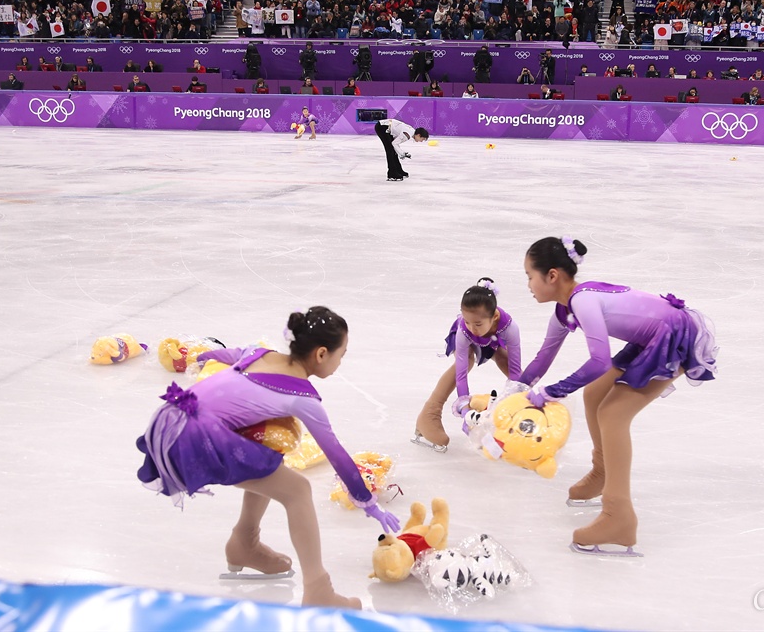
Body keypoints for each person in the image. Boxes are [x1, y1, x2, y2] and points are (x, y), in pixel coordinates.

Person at [135, 307, 399, 608]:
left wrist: (201, 361)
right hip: (193, 439)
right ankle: (318, 589)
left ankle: (244, 542)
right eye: (343, 354)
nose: (341, 362)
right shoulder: (301, 397)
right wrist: (368, 502)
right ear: (322, 354)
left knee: (271, 449)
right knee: (299, 491)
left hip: (171, 418)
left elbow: (221, 356)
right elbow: (335, 453)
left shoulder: (258, 353)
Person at [517, 237, 717, 554]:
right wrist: (516, 391)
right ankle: (603, 472)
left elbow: (599, 361)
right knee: (596, 394)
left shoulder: (582, 301)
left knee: (613, 414)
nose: (528, 284)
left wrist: (553, 392)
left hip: (675, 337)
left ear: (552, 275)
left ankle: (618, 516)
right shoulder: (565, 309)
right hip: (652, 336)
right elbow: (544, 357)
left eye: (530, 275)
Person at [413, 278, 522, 452]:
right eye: (467, 321)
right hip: (468, 344)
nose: (472, 327)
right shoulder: (465, 331)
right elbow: (461, 374)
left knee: (504, 359)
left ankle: (527, 410)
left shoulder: (510, 328)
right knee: (467, 361)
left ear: (494, 317)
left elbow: (516, 371)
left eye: (477, 323)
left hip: (493, 340)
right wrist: (466, 412)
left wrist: (519, 402)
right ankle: (430, 412)